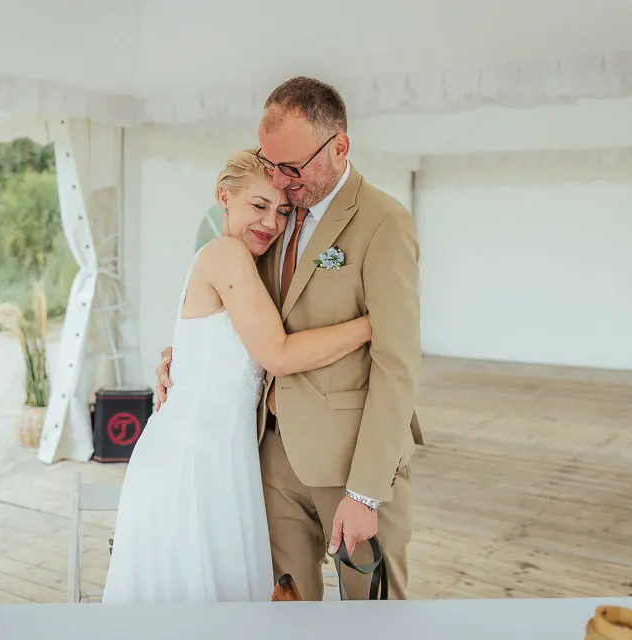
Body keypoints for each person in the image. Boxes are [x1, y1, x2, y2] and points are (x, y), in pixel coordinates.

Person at [155, 77, 423, 601]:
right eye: (270, 163)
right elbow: (240, 317)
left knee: (374, 614)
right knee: (285, 612)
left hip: (350, 463)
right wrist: (181, 358)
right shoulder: (272, 219)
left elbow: (398, 365)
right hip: (265, 453)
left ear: (340, 146)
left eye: (292, 167)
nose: (280, 180)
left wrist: (366, 492)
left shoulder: (384, 222)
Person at [101, 149, 373, 603]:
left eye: (284, 211)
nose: (271, 222)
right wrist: (372, 324)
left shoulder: (241, 261)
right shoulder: (226, 254)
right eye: (258, 206)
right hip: (194, 459)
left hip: (223, 454)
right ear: (224, 196)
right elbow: (280, 355)